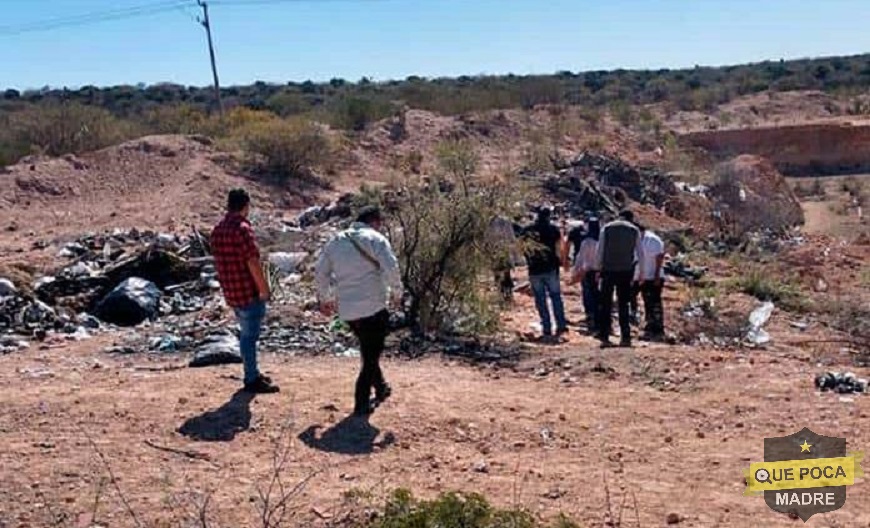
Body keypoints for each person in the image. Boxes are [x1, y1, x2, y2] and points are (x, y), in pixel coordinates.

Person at [315, 206, 403, 416]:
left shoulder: (335, 241)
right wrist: (397, 293)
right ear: (374, 221)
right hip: (374, 306)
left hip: (348, 310)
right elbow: (392, 267)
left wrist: (324, 299)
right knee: (372, 355)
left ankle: (380, 387)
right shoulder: (376, 239)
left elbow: (320, 272)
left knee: (368, 348)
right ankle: (361, 401)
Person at [210, 189, 279, 394]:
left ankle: (253, 373)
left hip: (232, 291)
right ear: (246, 205)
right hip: (248, 291)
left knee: (245, 334)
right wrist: (264, 289)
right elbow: (253, 262)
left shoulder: (217, 230)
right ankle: (251, 378)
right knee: (249, 337)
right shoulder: (242, 229)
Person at [596, 209, 642, 348]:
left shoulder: (607, 228)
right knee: (624, 304)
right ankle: (625, 337)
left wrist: (598, 268)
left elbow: (600, 250)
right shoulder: (634, 230)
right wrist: (639, 273)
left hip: (608, 270)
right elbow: (640, 254)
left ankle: (604, 335)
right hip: (626, 271)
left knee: (606, 304)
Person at [522, 207, 568, 340]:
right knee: (556, 296)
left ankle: (546, 328)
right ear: (549, 216)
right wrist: (561, 261)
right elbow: (559, 248)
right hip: (551, 268)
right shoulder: (553, 229)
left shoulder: (528, 230)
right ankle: (560, 325)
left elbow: (523, 248)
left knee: (540, 299)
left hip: (534, 269)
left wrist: (528, 260)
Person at [570, 217, 600, 335]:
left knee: (588, 295)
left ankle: (590, 318)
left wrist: (575, 272)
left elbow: (580, 258)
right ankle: (600, 319)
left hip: (587, 272)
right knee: (599, 296)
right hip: (600, 273)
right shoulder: (603, 240)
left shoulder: (586, 242)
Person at [637, 224, 667, 339]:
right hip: (644, 277)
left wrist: (656, 276)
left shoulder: (653, 240)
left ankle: (658, 329)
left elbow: (659, 258)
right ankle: (650, 326)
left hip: (654, 277)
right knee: (647, 302)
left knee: (655, 303)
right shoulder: (639, 239)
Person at [488, 215, 522, 303]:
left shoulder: (490, 223)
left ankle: (503, 295)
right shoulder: (505, 221)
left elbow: (487, 241)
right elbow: (512, 238)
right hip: (504, 252)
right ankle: (507, 295)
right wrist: (516, 257)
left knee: (500, 275)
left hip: (496, 252)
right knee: (505, 274)